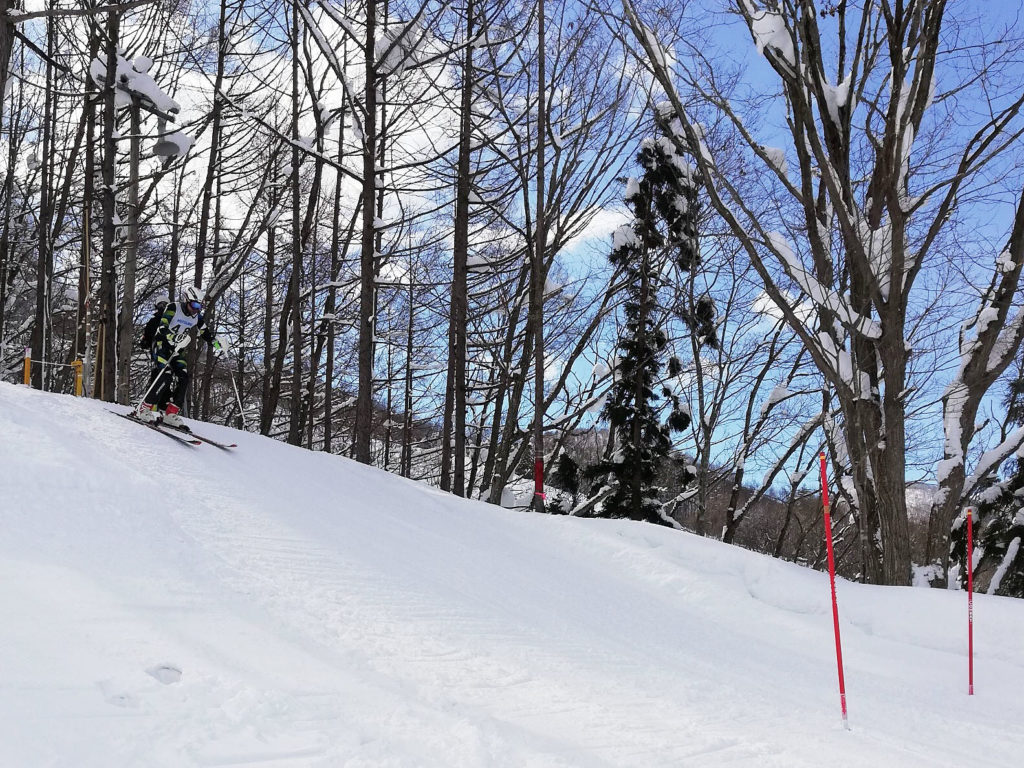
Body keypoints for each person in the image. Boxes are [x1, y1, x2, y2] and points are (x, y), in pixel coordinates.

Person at [136, 286, 225, 427]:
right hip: (161, 344)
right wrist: (172, 337)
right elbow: (163, 326)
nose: (196, 309)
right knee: (165, 374)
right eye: (195, 305)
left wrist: (216, 343)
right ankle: (145, 408)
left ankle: (171, 413)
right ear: (186, 300)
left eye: (200, 306)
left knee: (184, 376)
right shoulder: (173, 307)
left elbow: (205, 332)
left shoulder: (196, 316)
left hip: (177, 349)